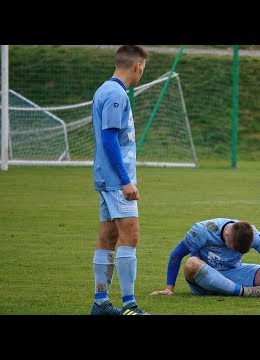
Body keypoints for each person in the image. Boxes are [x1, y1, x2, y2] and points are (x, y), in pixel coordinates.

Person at [90, 45, 150, 315]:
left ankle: (100, 302)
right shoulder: (116, 94)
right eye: (144, 68)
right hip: (117, 180)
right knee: (131, 236)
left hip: (105, 177)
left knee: (108, 237)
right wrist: (126, 181)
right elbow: (109, 139)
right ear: (137, 65)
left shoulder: (105, 89)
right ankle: (130, 306)